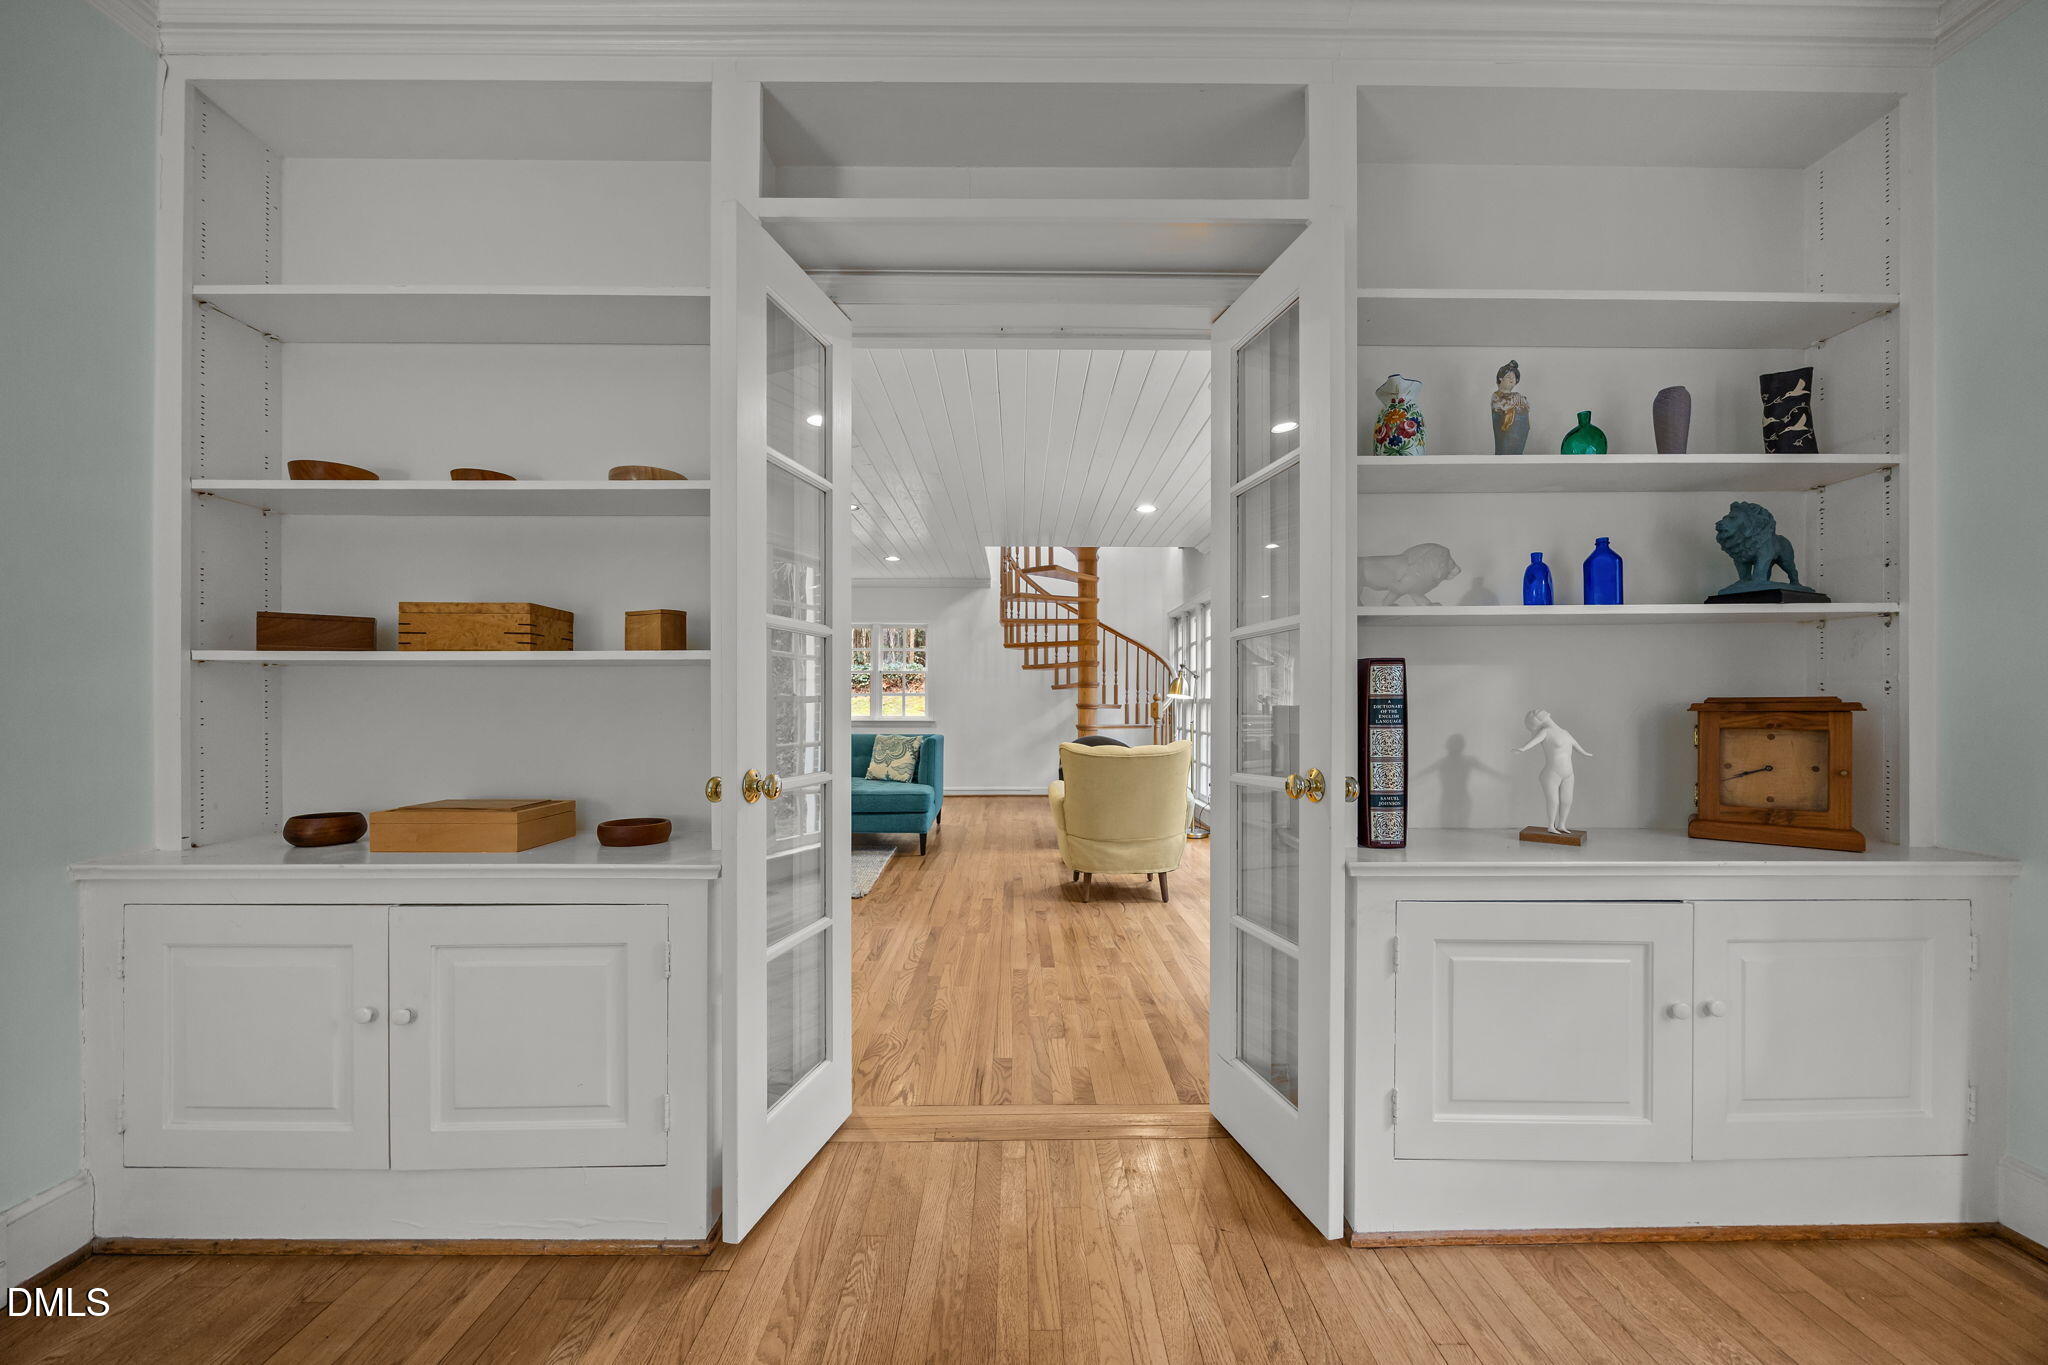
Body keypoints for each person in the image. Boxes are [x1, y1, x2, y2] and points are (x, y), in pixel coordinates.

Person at [1512, 708, 1592, 834]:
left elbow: (1576, 745)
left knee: (1567, 800)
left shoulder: (1565, 732)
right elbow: (1534, 742)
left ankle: (1562, 825)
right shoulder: (1545, 732)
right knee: (1554, 801)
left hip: (1568, 774)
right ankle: (1551, 826)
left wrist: (1585, 753)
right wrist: (1523, 748)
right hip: (1551, 774)